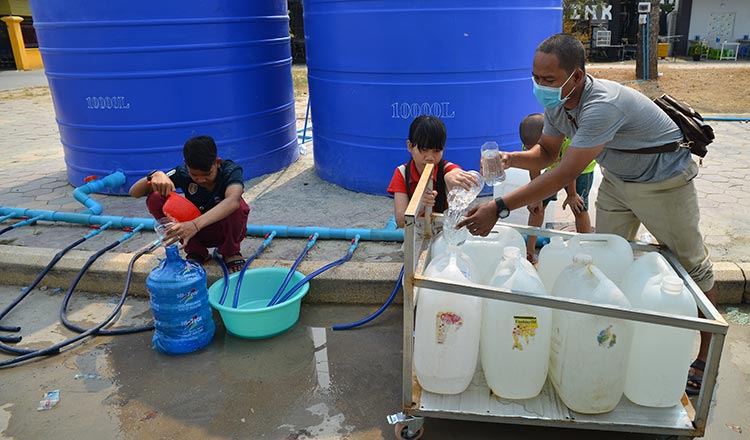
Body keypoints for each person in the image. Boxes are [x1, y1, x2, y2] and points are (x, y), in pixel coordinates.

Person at [457, 33, 717, 396]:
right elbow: (547, 152)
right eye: (535, 77)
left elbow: (563, 173)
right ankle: (611, 344)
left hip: (664, 182)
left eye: (548, 79)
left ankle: (706, 357)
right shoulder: (558, 102)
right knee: (607, 258)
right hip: (617, 180)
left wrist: (498, 207)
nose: (539, 86)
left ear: (576, 76)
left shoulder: (602, 104)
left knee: (692, 266)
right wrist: (511, 159)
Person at [129, 135, 251, 273]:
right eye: (195, 175)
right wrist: (154, 175)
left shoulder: (230, 171)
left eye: (207, 174)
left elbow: (232, 201)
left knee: (238, 205)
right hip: (191, 234)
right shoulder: (182, 173)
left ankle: (230, 252)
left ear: (217, 162)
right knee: (155, 197)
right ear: (186, 165)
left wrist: (194, 225)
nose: (201, 180)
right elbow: (134, 192)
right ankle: (197, 252)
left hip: (222, 230)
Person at [519, 113, 595, 263]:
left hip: (580, 169)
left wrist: (572, 194)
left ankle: (585, 251)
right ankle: (529, 252)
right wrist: (536, 195)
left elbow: (570, 169)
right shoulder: (530, 143)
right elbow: (534, 167)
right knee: (537, 207)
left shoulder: (566, 139)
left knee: (579, 207)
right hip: (555, 165)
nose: (533, 152)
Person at [387, 115, 476, 228]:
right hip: (417, 231)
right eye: (424, 149)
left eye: (436, 151)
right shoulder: (402, 173)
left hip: (445, 230)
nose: (430, 157)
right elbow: (400, 222)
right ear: (409, 146)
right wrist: (421, 205)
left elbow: (455, 172)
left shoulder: (447, 169)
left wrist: (451, 176)